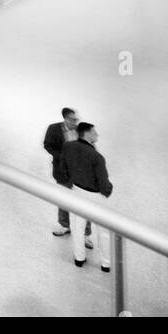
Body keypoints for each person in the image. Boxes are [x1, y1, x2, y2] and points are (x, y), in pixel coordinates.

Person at [62, 122, 113, 271]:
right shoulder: (97, 157)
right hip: (95, 196)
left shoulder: (68, 146)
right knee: (103, 230)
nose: (97, 135)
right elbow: (104, 183)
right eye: (94, 132)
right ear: (87, 134)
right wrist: (108, 190)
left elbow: (62, 167)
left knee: (77, 226)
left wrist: (72, 181)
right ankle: (105, 263)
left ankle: (79, 258)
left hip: (77, 192)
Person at [44, 107, 91, 240]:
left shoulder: (81, 131)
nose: (75, 122)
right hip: (62, 171)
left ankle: (86, 234)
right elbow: (48, 145)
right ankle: (65, 226)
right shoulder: (53, 129)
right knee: (63, 199)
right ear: (65, 119)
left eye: (76, 119)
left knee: (84, 204)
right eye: (72, 119)